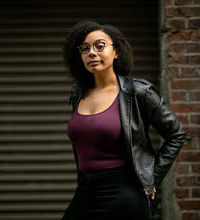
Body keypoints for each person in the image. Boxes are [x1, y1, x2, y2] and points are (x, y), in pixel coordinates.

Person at [61, 20, 187, 220]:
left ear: (116, 51)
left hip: (124, 192)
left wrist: (152, 177)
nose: (91, 52)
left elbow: (176, 134)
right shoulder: (78, 94)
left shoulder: (137, 92)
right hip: (85, 191)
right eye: (85, 48)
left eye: (99, 46)